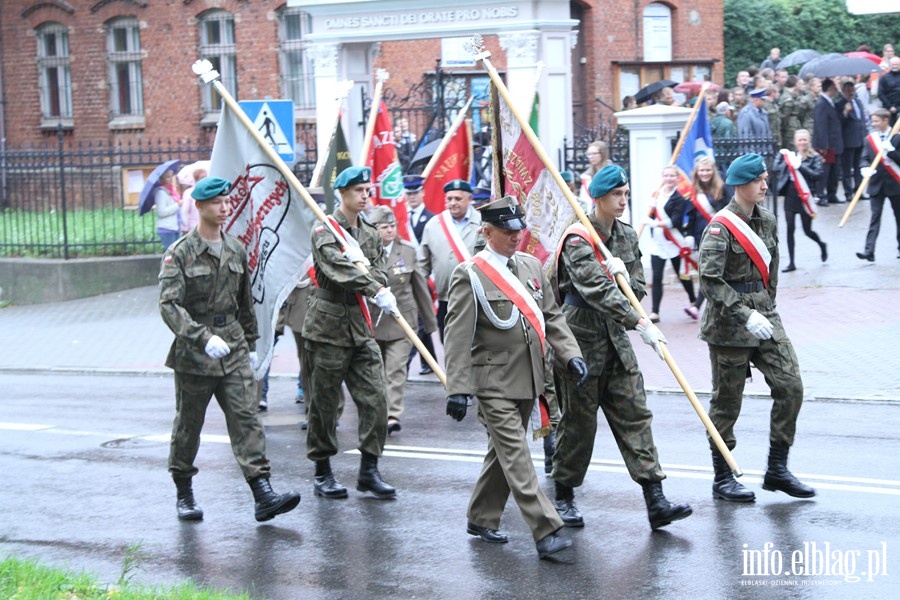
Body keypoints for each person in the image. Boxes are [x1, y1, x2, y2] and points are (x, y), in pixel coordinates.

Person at [443, 195, 588, 559]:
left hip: (530, 376)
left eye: (518, 229)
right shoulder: (471, 274)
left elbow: (552, 318)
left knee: (502, 454)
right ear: (487, 231)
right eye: (507, 231)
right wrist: (457, 388)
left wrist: (571, 355)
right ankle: (546, 529)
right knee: (517, 455)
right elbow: (457, 335)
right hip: (491, 381)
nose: (515, 236)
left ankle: (481, 516)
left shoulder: (531, 267)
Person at [550, 164, 692, 531]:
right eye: (616, 195)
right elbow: (595, 290)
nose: (623, 200)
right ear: (597, 198)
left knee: (635, 416)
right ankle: (563, 494)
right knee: (579, 425)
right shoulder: (578, 238)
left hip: (615, 339)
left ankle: (655, 498)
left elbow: (638, 285)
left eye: (626, 194)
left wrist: (627, 281)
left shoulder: (627, 236)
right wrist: (639, 321)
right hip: (579, 340)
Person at [158, 176, 301, 522]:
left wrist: (250, 345)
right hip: (196, 354)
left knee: (246, 418)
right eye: (217, 203)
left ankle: (262, 492)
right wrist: (202, 337)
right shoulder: (180, 253)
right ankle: (184, 491)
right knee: (189, 425)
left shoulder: (235, 248)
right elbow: (169, 305)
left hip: (234, 347)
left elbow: (245, 303)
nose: (224, 208)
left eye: (227, 202)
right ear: (200, 206)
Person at [698, 153, 816, 503]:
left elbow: (773, 268)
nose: (764, 185)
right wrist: (745, 314)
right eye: (757, 180)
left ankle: (777, 468)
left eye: (765, 178)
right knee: (727, 403)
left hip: (765, 315)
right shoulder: (720, 227)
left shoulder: (767, 221)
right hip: (728, 325)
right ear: (739, 185)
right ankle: (723, 476)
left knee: (791, 384)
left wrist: (766, 307)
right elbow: (710, 280)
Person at [302, 166, 397, 500]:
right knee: (325, 404)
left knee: (376, 399)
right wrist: (370, 281)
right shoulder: (324, 230)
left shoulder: (370, 233)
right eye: (358, 190)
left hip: (360, 327)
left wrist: (375, 278)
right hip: (328, 327)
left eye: (367, 190)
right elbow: (338, 270)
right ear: (341, 193)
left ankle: (369, 470)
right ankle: (322, 471)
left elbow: (383, 270)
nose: (365, 196)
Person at [369, 206, 437, 434]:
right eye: (383, 227)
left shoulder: (407, 251)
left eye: (392, 226)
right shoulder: (363, 253)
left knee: (396, 370)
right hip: (373, 323)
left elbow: (420, 287)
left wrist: (429, 323)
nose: (389, 230)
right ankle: (376, 412)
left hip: (402, 321)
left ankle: (392, 415)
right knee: (375, 372)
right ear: (374, 229)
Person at [417, 179, 482, 341]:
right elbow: (422, 266)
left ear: (469, 199)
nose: (453, 203)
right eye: (449, 199)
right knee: (449, 342)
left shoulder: (483, 222)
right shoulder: (433, 225)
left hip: (476, 296)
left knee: (477, 342)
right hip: (445, 298)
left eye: (458, 199)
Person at [644, 165, 698, 323]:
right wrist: (650, 211)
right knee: (657, 276)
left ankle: (693, 300)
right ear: (663, 177)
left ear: (676, 178)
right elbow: (651, 213)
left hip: (673, 243)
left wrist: (654, 224)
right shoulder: (656, 196)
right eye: (666, 175)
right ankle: (655, 312)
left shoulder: (679, 198)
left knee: (682, 276)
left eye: (672, 176)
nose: (669, 178)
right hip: (658, 244)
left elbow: (674, 222)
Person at [775, 129, 827, 272]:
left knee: (807, 230)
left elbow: (817, 175)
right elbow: (776, 168)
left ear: (809, 141)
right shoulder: (790, 156)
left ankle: (822, 245)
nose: (802, 142)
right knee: (790, 228)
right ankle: (791, 262)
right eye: (800, 140)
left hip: (805, 196)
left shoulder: (814, 157)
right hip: (790, 195)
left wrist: (801, 167)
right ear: (795, 142)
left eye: (805, 139)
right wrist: (782, 159)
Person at [402, 174, 437, 374]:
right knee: (418, 318)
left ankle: (406, 362)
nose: (412, 197)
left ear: (422, 193)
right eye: (408, 193)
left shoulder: (431, 219)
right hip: (405, 276)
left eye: (415, 193)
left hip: (424, 278)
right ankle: (429, 361)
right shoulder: (400, 218)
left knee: (420, 319)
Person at [686, 155, 730, 314]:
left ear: (713, 171)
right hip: (700, 237)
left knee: (708, 272)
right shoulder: (693, 191)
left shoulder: (722, 188)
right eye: (702, 170)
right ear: (697, 172)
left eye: (707, 170)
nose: (705, 173)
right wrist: (688, 235)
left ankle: (697, 306)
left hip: (718, 236)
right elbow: (690, 216)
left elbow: (728, 211)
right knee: (711, 272)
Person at [856, 108, 900, 262]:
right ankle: (869, 251)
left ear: (886, 120)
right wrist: (864, 168)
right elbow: (864, 158)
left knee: (899, 218)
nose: (873, 124)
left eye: (876, 121)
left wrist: (892, 152)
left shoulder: (896, 137)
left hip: (895, 184)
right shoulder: (870, 139)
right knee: (875, 217)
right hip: (876, 184)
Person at [812, 78, 845, 205]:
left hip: (834, 143)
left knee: (834, 171)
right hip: (826, 145)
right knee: (824, 171)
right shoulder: (821, 104)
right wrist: (823, 145)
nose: (837, 89)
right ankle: (820, 195)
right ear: (830, 88)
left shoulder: (830, 102)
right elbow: (821, 126)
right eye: (835, 87)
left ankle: (832, 194)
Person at [836, 80, 868, 202]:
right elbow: (838, 123)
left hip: (859, 139)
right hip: (848, 141)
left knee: (858, 167)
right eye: (849, 91)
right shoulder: (840, 104)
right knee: (847, 169)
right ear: (844, 91)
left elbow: (862, 120)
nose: (851, 93)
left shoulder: (858, 102)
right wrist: (845, 112)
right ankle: (848, 192)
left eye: (853, 90)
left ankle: (858, 190)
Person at [154, 168, 182, 250]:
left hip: (175, 227)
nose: (170, 179)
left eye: (171, 176)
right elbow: (161, 212)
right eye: (167, 177)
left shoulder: (171, 191)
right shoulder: (161, 193)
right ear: (161, 179)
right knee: (170, 255)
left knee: (176, 254)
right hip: (167, 228)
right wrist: (177, 205)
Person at [179, 167, 207, 234]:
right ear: (196, 179)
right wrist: (185, 227)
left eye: (206, 177)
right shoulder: (189, 193)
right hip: (194, 227)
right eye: (202, 177)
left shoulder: (209, 192)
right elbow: (185, 211)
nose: (205, 179)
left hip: (207, 227)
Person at [779, 76, 802, 151]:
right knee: (793, 148)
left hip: (794, 125)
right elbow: (785, 116)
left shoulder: (793, 95)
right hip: (790, 127)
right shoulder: (787, 97)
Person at [878, 57, 900, 126]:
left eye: (897, 64)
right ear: (889, 65)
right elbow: (880, 93)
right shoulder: (884, 78)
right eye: (893, 64)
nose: (895, 66)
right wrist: (890, 106)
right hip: (889, 110)